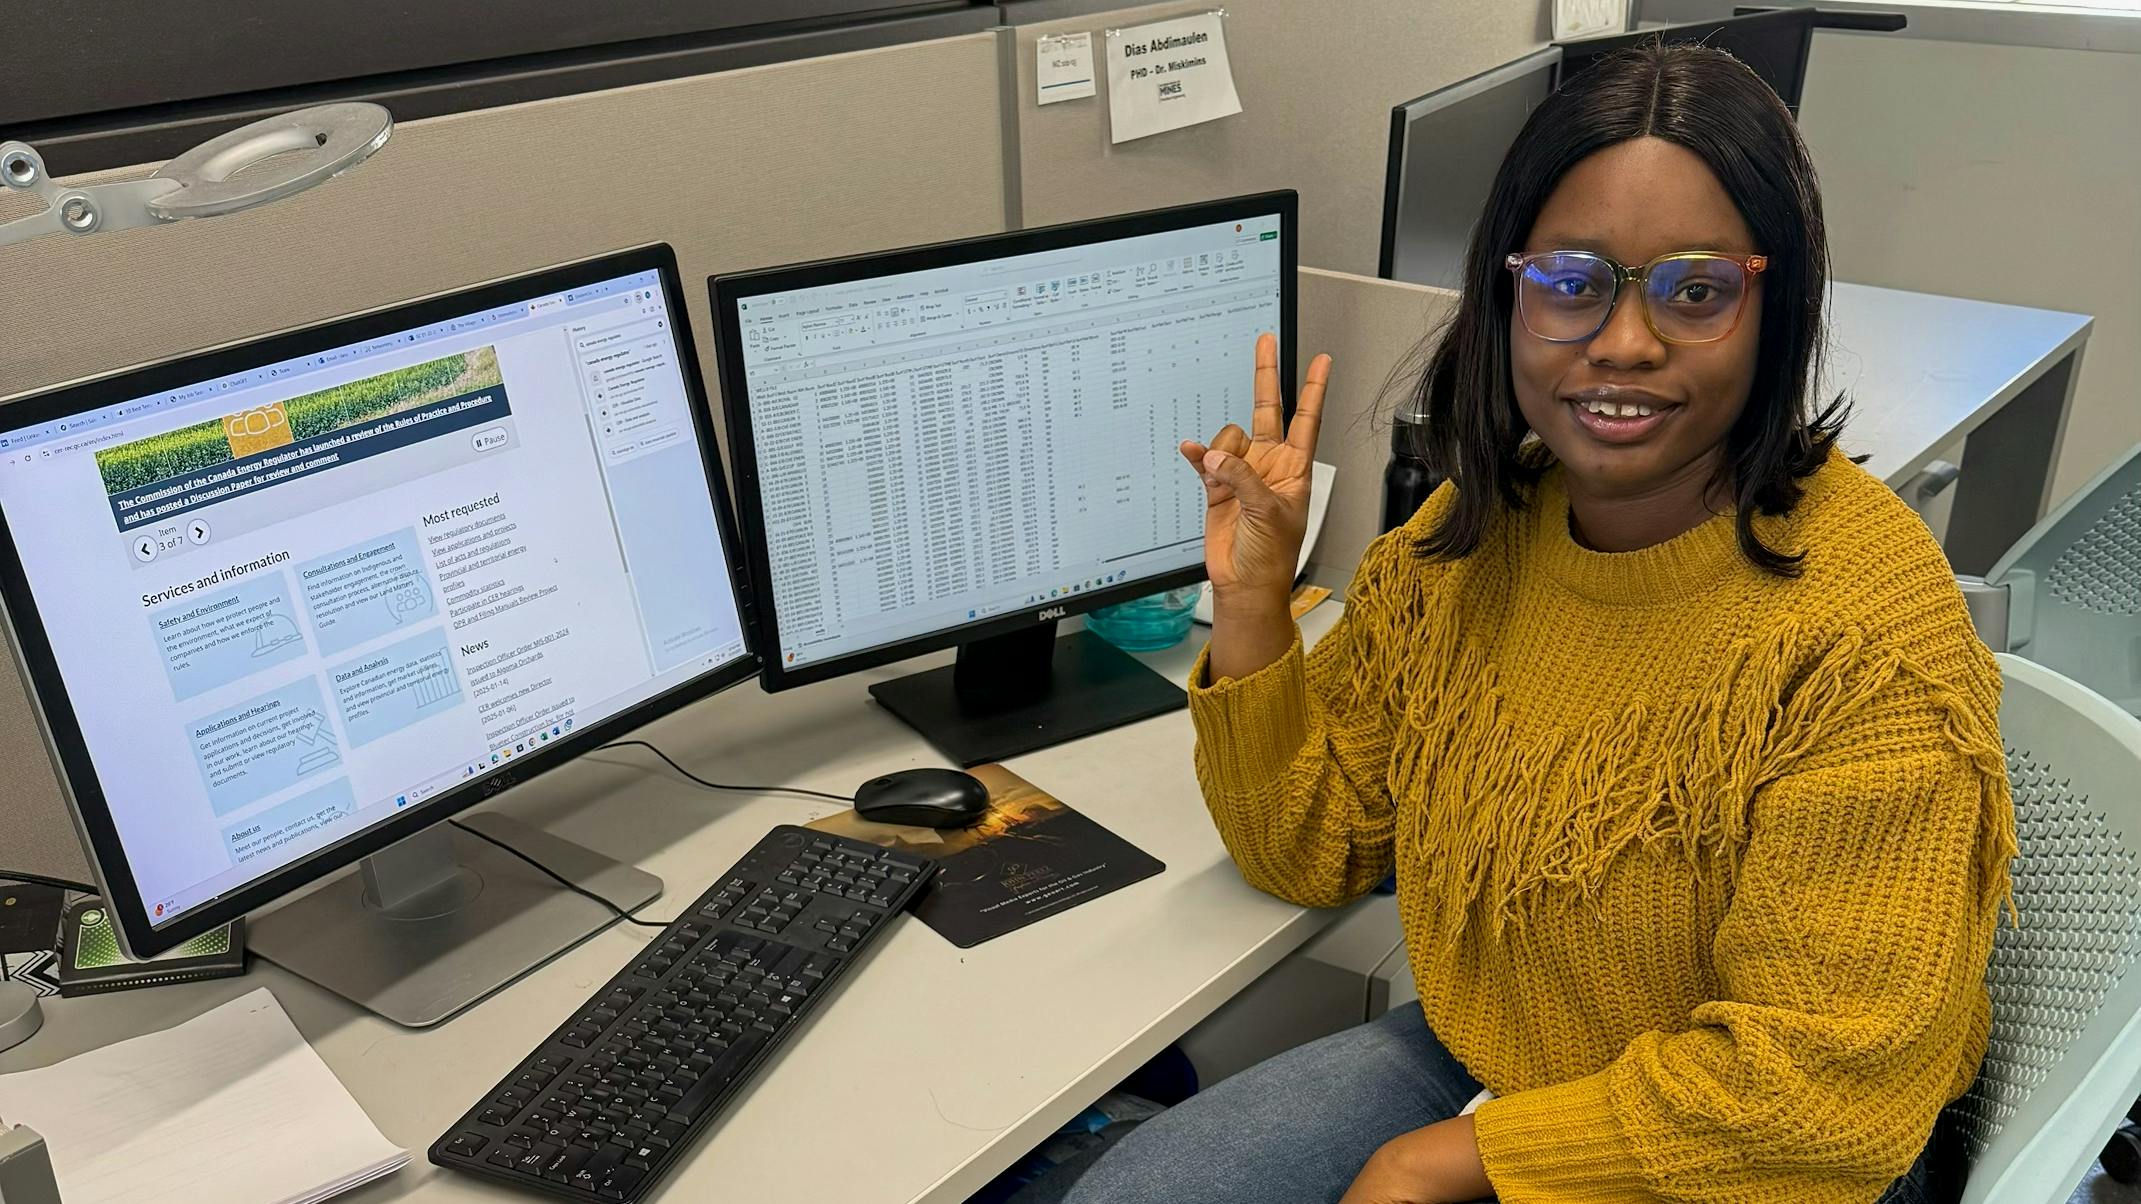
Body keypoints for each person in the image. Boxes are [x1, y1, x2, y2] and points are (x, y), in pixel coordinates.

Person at [1016, 41, 2013, 1204]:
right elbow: (1308, 850)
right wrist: (1250, 604)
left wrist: (1427, 1162)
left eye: (1694, 291)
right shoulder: (1474, 536)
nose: (1623, 341)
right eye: (1569, 283)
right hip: (1499, 1060)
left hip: (1767, 1150)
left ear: (1772, 306)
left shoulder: (1865, 634)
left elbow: (1815, 1097)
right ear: (1508, 297)